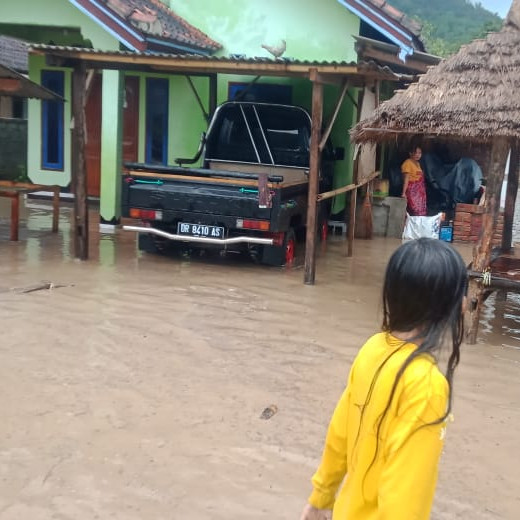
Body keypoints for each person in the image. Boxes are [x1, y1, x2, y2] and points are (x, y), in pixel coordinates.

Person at [300, 238, 467, 520]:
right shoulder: (427, 385)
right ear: (447, 305)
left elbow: (339, 434)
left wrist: (321, 497)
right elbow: (405, 497)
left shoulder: (373, 348)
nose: (466, 302)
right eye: (462, 293)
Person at [401, 145, 427, 216]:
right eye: (416, 153)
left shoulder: (417, 164)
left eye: (419, 153)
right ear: (410, 153)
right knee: (415, 211)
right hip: (412, 192)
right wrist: (403, 193)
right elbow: (406, 179)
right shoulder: (407, 163)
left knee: (420, 212)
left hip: (420, 193)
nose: (418, 155)